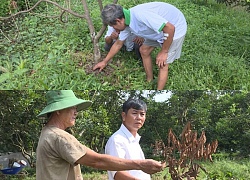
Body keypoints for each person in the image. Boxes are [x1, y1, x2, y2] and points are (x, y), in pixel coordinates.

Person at [36, 90, 165, 180]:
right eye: (72, 107)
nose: (76, 112)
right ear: (58, 109)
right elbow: (97, 161)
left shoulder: (48, 133)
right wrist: (141, 165)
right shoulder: (59, 136)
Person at [93, 2, 187, 90]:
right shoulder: (125, 21)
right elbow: (118, 44)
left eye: (113, 26)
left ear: (118, 21)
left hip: (175, 29)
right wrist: (104, 62)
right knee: (144, 50)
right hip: (158, 30)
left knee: (163, 63)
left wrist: (164, 51)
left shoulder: (140, 16)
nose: (114, 29)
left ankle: (158, 91)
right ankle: (149, 80)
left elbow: (170, 28)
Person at [105, 99, 151, 180]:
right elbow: (118, 174)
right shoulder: (117, 140)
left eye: (142, 114)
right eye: (134, 113)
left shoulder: (134, 139)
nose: (139, 118)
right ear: (124, 116)